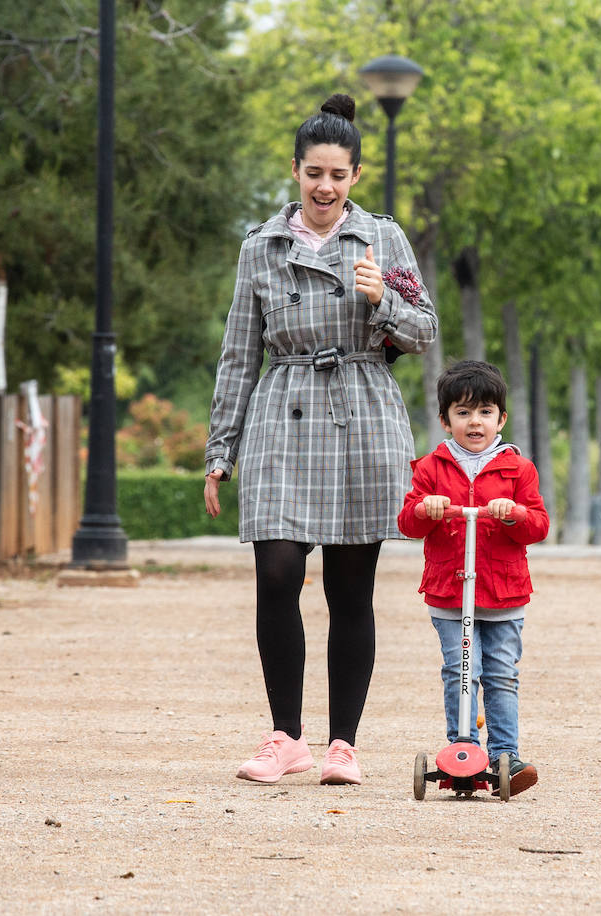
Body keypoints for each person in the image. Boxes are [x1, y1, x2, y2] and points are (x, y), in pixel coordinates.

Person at [204, 93, 438, 785]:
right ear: (296, 171)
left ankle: (343, 745)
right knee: (276, 571)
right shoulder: (260, 246)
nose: (325, 187)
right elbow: (239, 354)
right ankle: (285, 737)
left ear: (355, 175)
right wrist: (221, 451)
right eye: (313, 173)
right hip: (284, 406)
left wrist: (383, 300)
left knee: (349, 586)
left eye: (338, 174)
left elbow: (423, 333)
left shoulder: (383, 239)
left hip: (362, 408)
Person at [397, 361, 549, 796]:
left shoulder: (518, 470)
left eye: (484, 412)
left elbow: (538, 525)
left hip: (502, 592)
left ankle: (505, 754)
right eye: (462, 413)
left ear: (501, 418)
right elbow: (408, 522)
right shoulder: (431, 468)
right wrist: (425, 509)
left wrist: (513, 514)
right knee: (459, 669)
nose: (474, 422)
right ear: (446, 420)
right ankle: (462, 746)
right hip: (450, 590)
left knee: (500, 673)